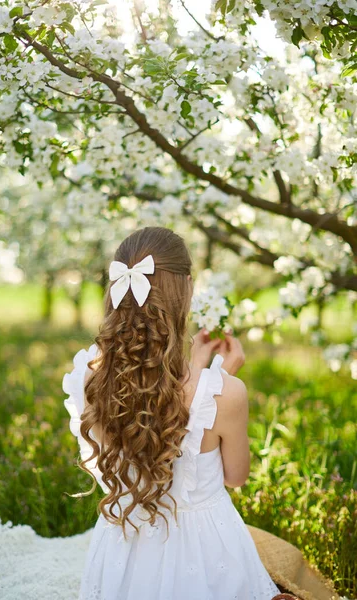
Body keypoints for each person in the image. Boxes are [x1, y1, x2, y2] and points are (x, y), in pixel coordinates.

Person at [63, 226, 280, 600]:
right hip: (205, 552)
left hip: (122, 545)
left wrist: (200, 370)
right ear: (187, 290)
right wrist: (217, 379)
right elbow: (236, 476)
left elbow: (154, 400)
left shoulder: (88, 376)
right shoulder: (226, 392)